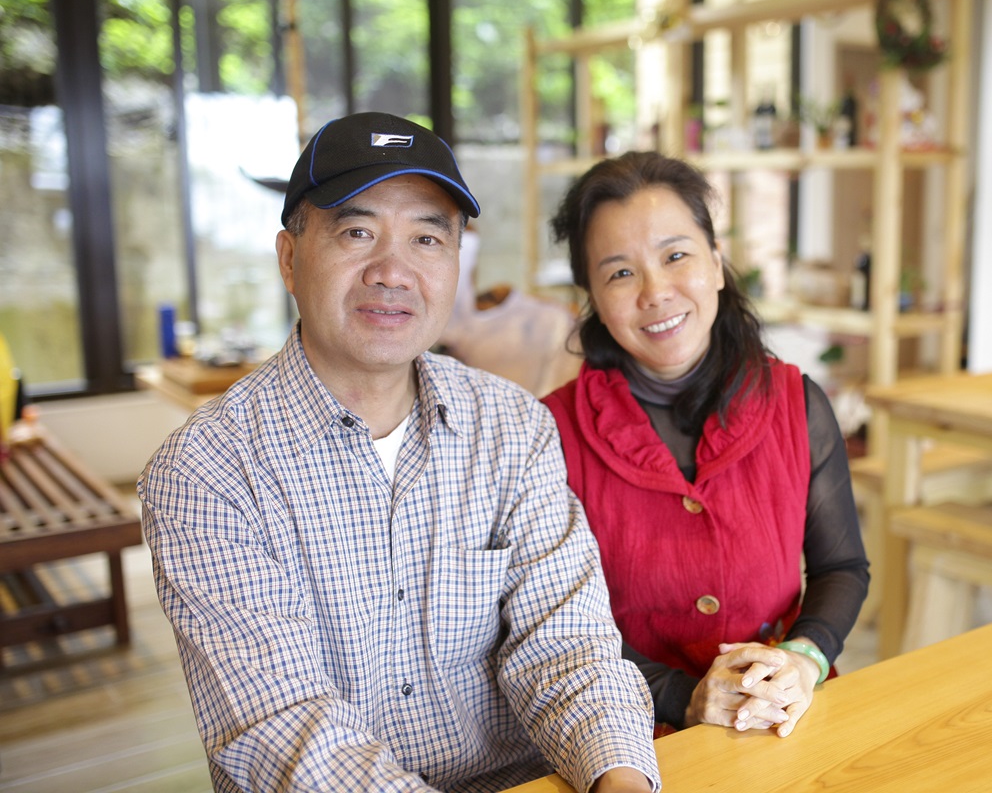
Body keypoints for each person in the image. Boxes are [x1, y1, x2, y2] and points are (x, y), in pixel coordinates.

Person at [139, 112, 659, 793]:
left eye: (426, 237)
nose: (393, 271)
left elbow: (569, 647)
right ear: (290, 257)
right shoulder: (206, 471)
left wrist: (619, 780)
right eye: (357, 232)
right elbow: (287, 730)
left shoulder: (512, 428)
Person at [542, 151, 870, 739]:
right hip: (628, 736)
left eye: (676, 256)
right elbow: (553, 629)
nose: (655, 291)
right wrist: (681, 695)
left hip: (783, 716)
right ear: (591, 295)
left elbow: (841, 566)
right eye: (620, 272)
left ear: (716, 264)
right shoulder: (552, 433)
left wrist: (805, 657)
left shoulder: (797, 403)